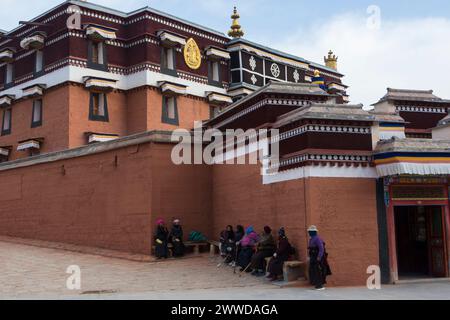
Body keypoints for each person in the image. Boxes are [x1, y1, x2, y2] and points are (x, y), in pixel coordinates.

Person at [307, 225, 331, 290]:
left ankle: (320, 285)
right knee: (312, 270)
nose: (309, 233)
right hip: (313, 257)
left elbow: (321, 248)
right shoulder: (311, 239)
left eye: (310, 232)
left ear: (314, 232)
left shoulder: (317, 239)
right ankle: (316, 284)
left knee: (317, 270)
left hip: (317, 257)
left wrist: (319, 257)